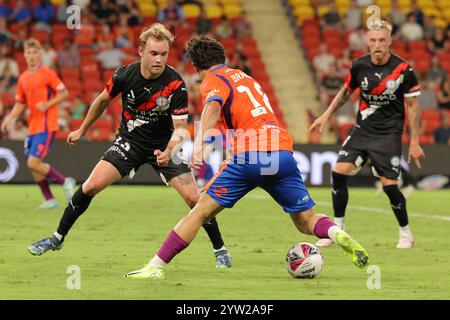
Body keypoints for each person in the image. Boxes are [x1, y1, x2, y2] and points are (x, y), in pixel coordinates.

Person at [124, 35, 369, 280]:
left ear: (196, 67)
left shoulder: (213, 79)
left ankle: (155, 267)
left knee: (199, 213)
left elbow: (212, 106)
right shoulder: (246, 79)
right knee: (306, 221)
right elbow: (231, 121)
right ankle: (336, 233)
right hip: (281, 151)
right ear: (224, 59)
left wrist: (198, 143)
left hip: (250, 155)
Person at [26, 24, 232, 269]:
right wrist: (82, 129)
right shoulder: (125, 74)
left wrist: (169, 150)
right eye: (154, 53)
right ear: (141, 51)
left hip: (163, 147)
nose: (159, 59)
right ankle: (56, 238)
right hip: (129, 143)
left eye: (164, 54)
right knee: (90, 186)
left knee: (193, 198)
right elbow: (102, 100)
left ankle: (220, 249)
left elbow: (180, 128)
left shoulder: (175, 83)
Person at [310, 21, 425, 249]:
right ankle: (337, 229)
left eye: (382, 40)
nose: (377, 44)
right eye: (373, 40)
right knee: (338, 172)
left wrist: (414, 141)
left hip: (389, 134)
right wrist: (325, 114)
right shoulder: (359, 65)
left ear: (390, 41)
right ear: (367, 42)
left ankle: (405, 233)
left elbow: (413, 107)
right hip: (362, 130)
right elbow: (345, 92)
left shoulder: (403, 70)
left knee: (390, 187)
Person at [1, 38, 75, 209]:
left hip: (47, 124)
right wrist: (10, 118)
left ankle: (65, 181)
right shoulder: (22, 78)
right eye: (29, 53)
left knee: (33, 163)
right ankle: (49, 199)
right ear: (24, 55)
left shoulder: (47, 73)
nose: (32, 56)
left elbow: (64, 93)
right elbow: (21, 103)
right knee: (33, 165)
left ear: (40, 54)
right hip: (33, 126)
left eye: (35, 52)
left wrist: (47, 104)